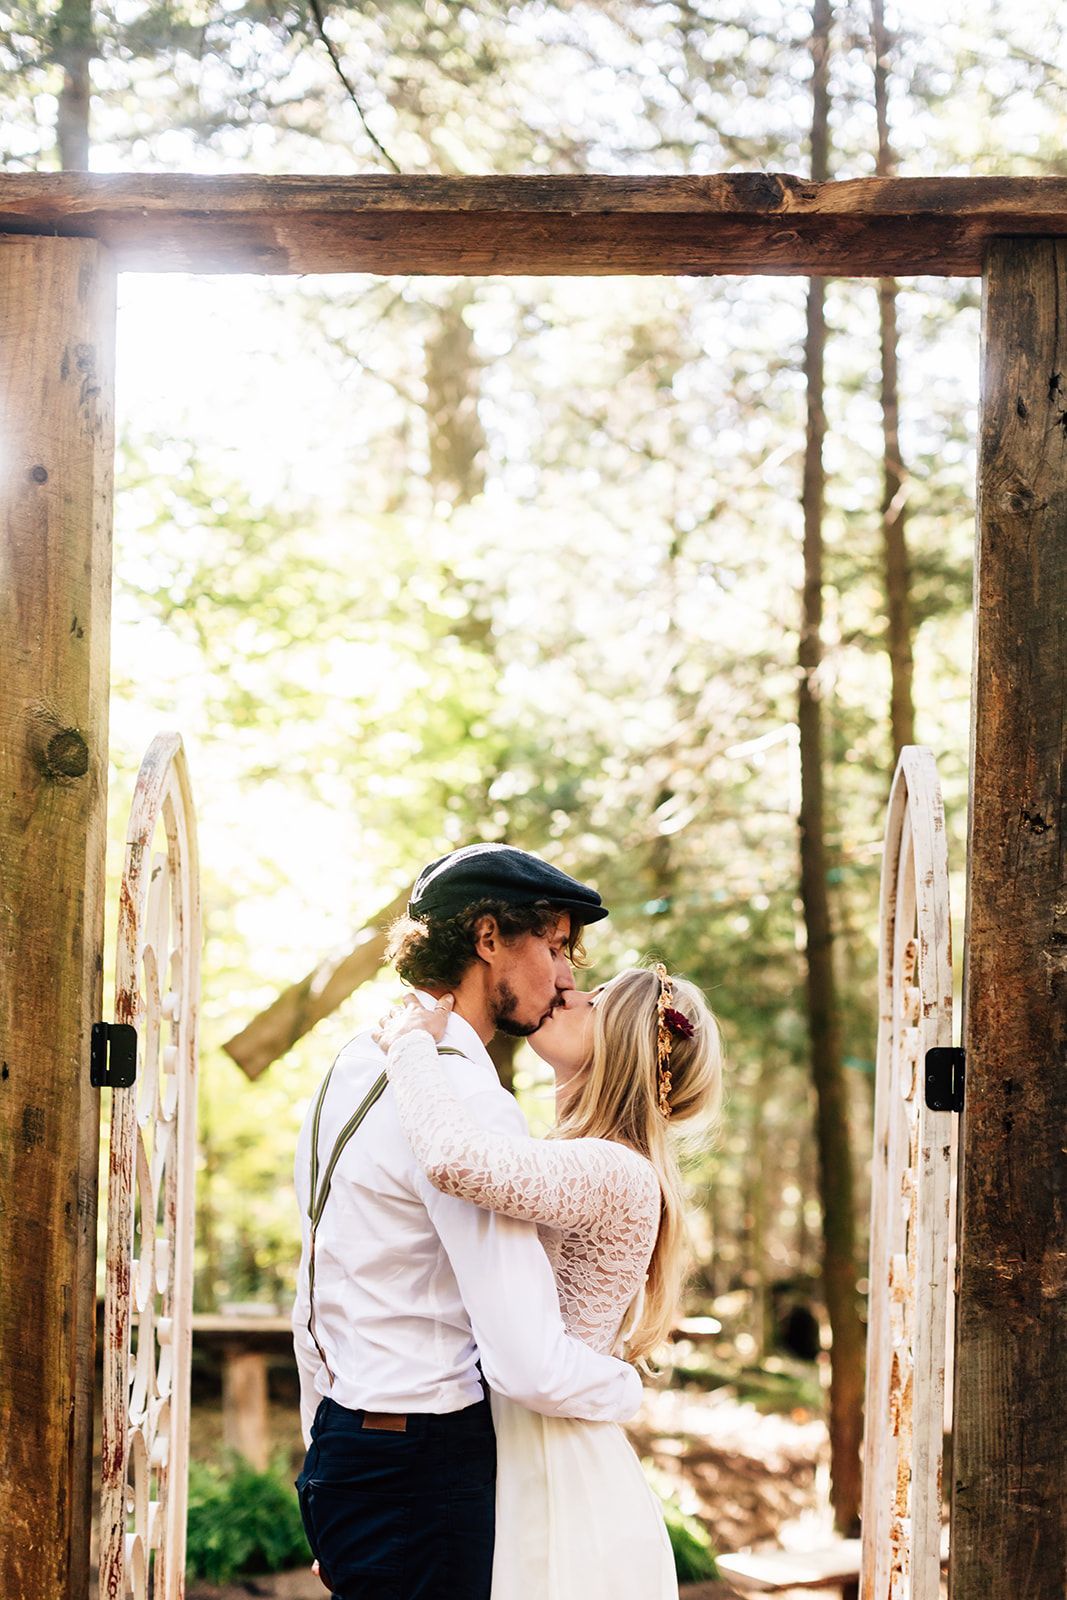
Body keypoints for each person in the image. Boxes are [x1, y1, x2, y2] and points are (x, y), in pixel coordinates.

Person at [291, 843, 644, 1600]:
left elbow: (313, 1298)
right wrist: (632, 1392)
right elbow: (526, 1361)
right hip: (423, 1469)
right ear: (488, 939)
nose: (562, 977)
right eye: (551, 946)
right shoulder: (466, 1106)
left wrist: (324, 1464)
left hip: (348, 1452)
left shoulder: (349, 1066)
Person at [374, 957, 724, 1600]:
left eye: (597, 999)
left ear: (618, 1047)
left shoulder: (611, 1170)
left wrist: (411, 1044)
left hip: (559, 1476)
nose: (571, 990)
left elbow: (453, 1159)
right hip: (523, 1450)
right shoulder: (580, 1158)